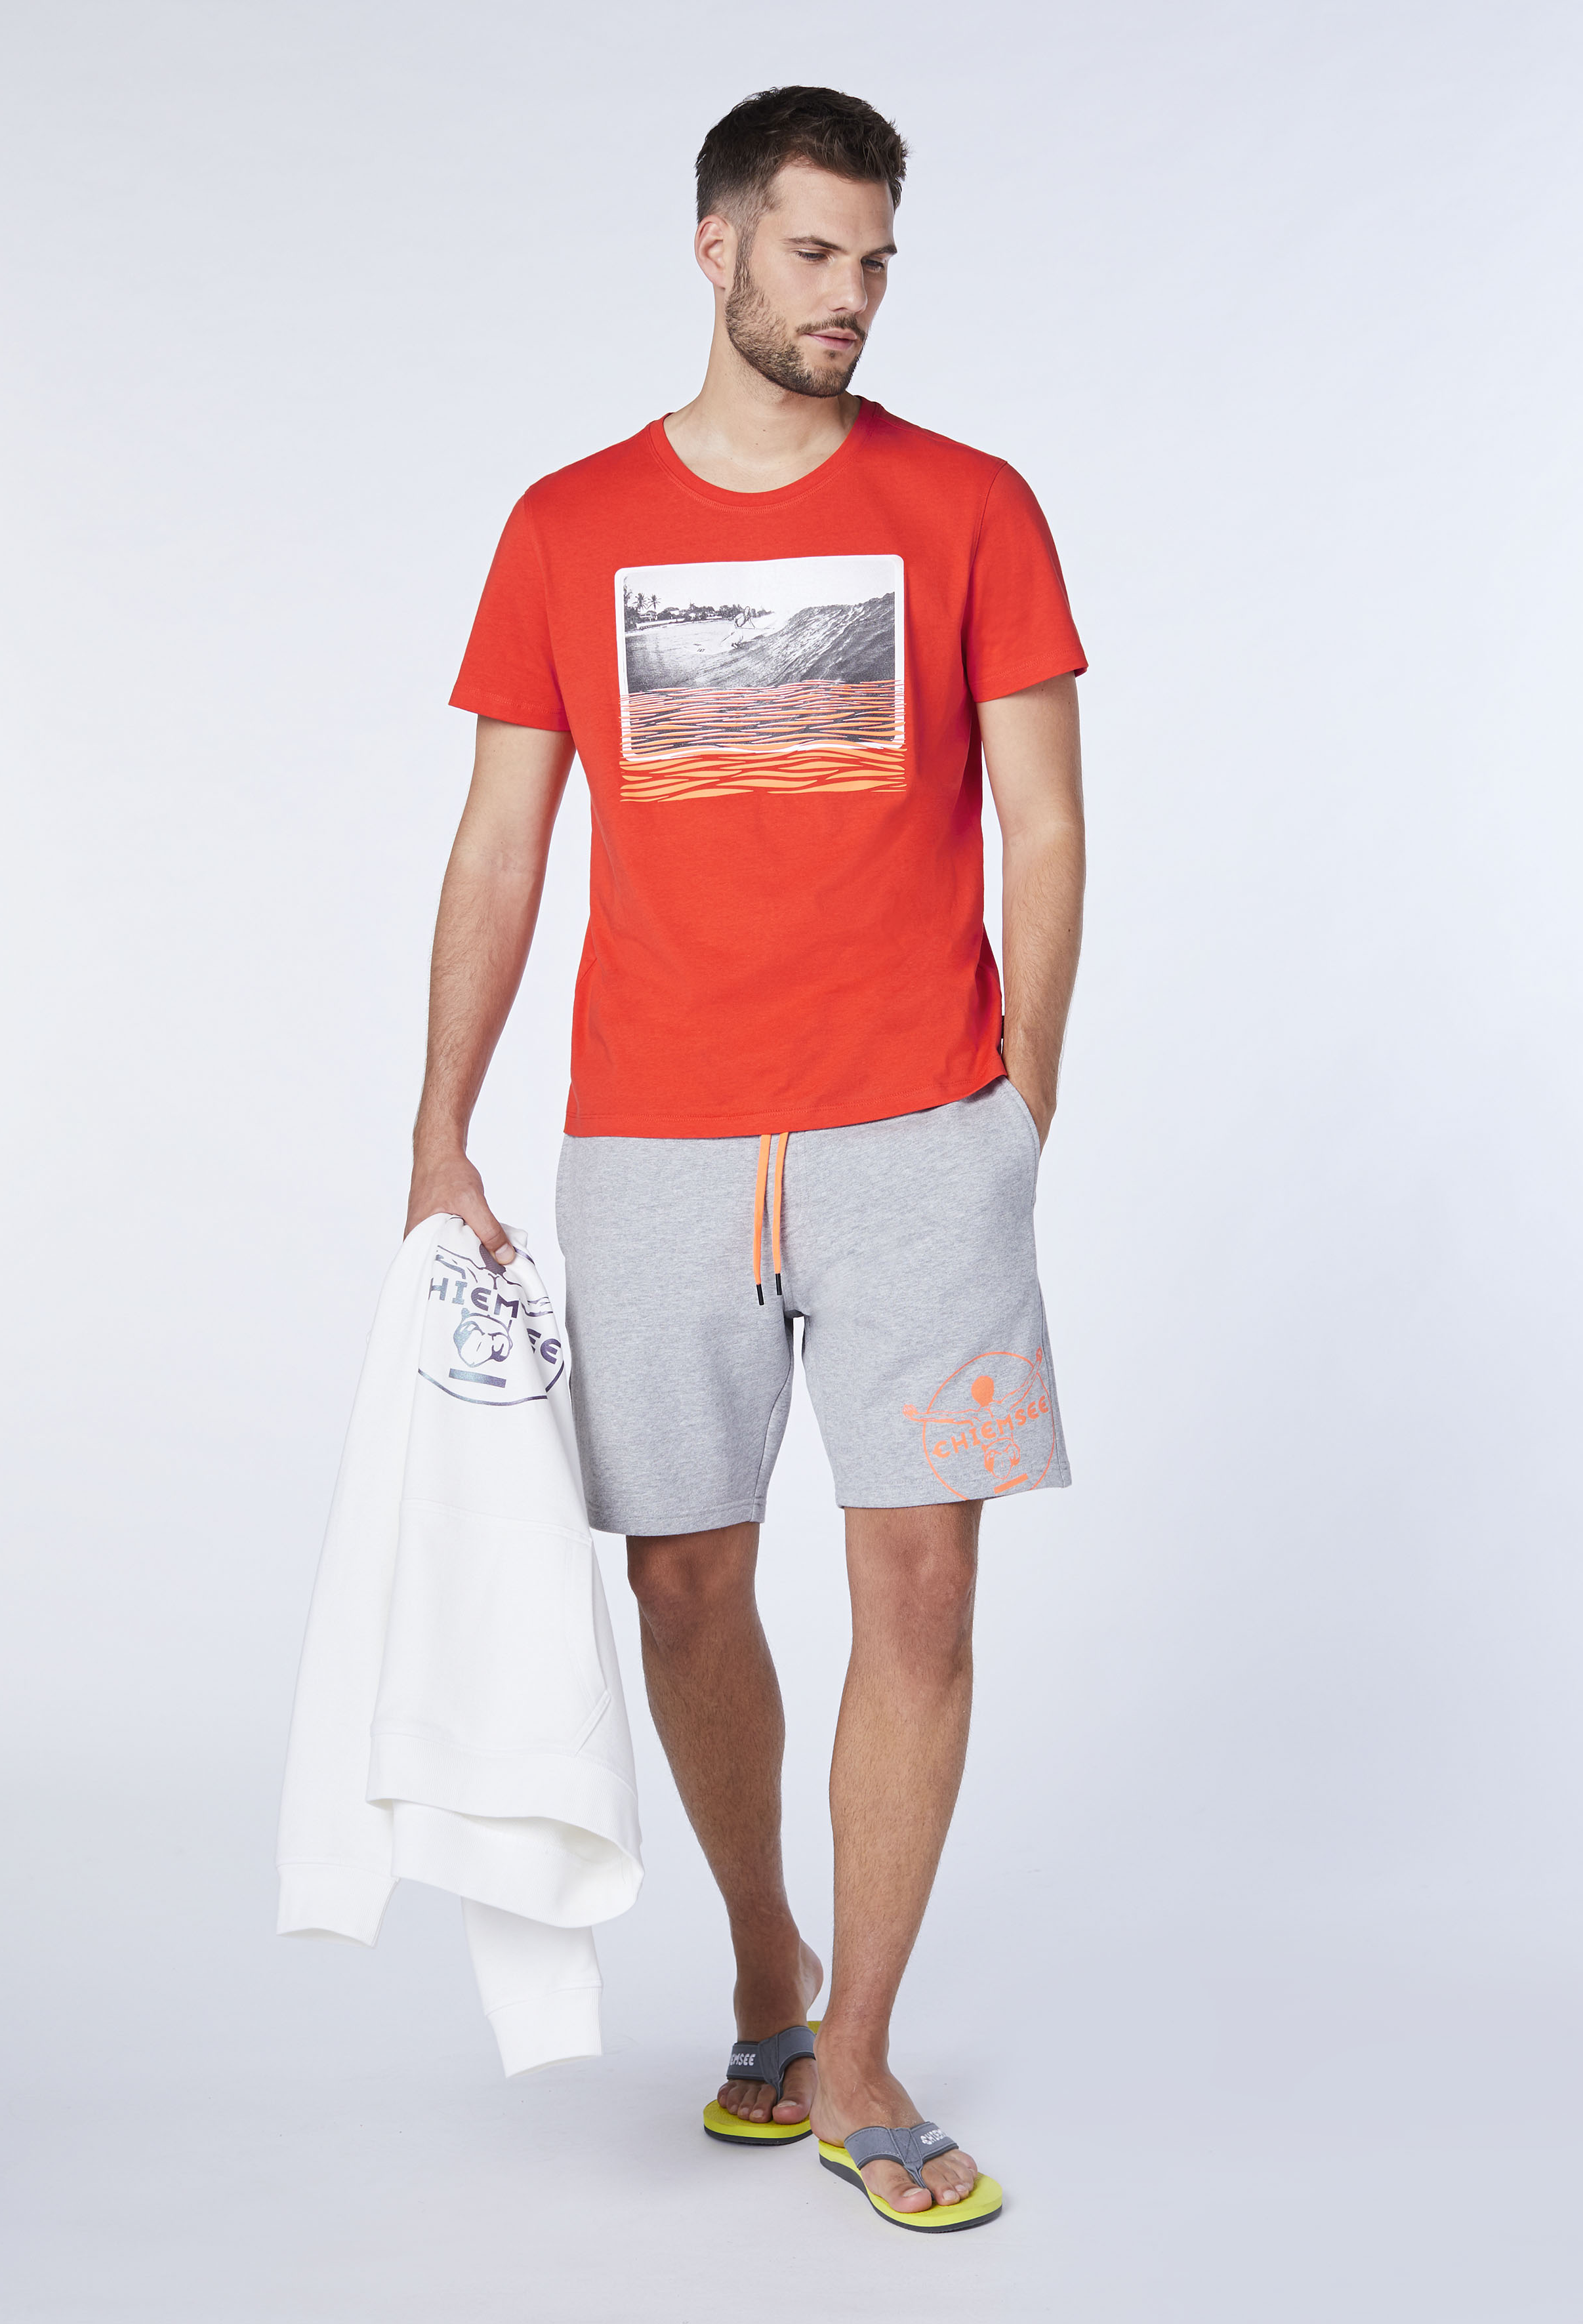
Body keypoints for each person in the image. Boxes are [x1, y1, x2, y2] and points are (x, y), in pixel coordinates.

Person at [407, 84, 1086, 2230]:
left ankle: (859, 2050)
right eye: (814, 253)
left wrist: (1020, 1102)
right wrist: (436, 1130)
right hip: (658, 1139)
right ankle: (766, 1963)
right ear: (715, 249)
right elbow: (502, 843)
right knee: (683, 1582)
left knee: (924, 1582)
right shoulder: (568, 525)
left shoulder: (971, 505)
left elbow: (1046, 820)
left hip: (918, 1130)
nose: (851, 296)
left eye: (876, 260)